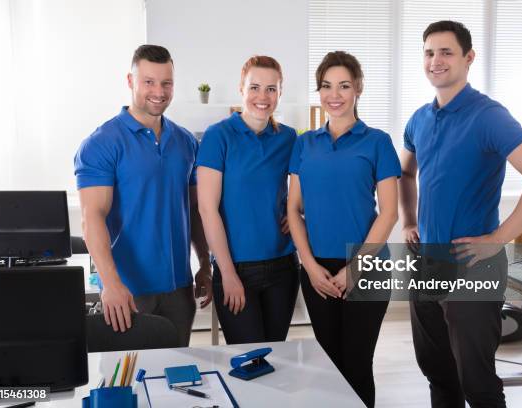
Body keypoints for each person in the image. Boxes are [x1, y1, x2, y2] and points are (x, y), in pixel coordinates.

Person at [399, 21, 522, 408]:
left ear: (468, 58)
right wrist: (408, 220)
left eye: (446, 52)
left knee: (477, 383)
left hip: (474, 265)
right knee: (438, 375)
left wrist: (499, 238)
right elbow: (406, 172)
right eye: (429, 52)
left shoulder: (488, 115)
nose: (435, 61)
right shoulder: (420, 118)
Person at [74, 44, 213, 347]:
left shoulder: (186, 141)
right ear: (130, 81)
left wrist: (204, 262)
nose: (159, 91)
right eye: (149, 81)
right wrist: (111, 285)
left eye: (167, 83)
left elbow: (193, 210)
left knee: (177, 382)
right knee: (127, 383)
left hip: (179, 289)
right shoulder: (102, 143)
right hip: (128, 291)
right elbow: (91, 217)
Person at [287, 51, 400, 408]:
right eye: (326, 86)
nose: (334, 95)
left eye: (344, 85)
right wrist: (308, 264)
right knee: (327, 365)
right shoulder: (304, 143)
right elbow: (294, 209)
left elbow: (390, 213)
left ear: (358, 89)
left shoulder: (377, 141)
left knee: (356, 364)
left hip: (366, 268)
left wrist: (355, 269)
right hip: (316, 266)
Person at [196, 56, 299, 344]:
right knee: (248, 361)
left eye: (271, 89)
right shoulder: (218, 136)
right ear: (241, 88)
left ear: (280, 93)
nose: (262, 97)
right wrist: (227, 273)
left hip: (283, 267)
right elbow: (207, 209)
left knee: (276, 358)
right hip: (236, 268)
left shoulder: (289, 138)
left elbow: (315, 185)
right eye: (255, 87)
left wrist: (300, 215)